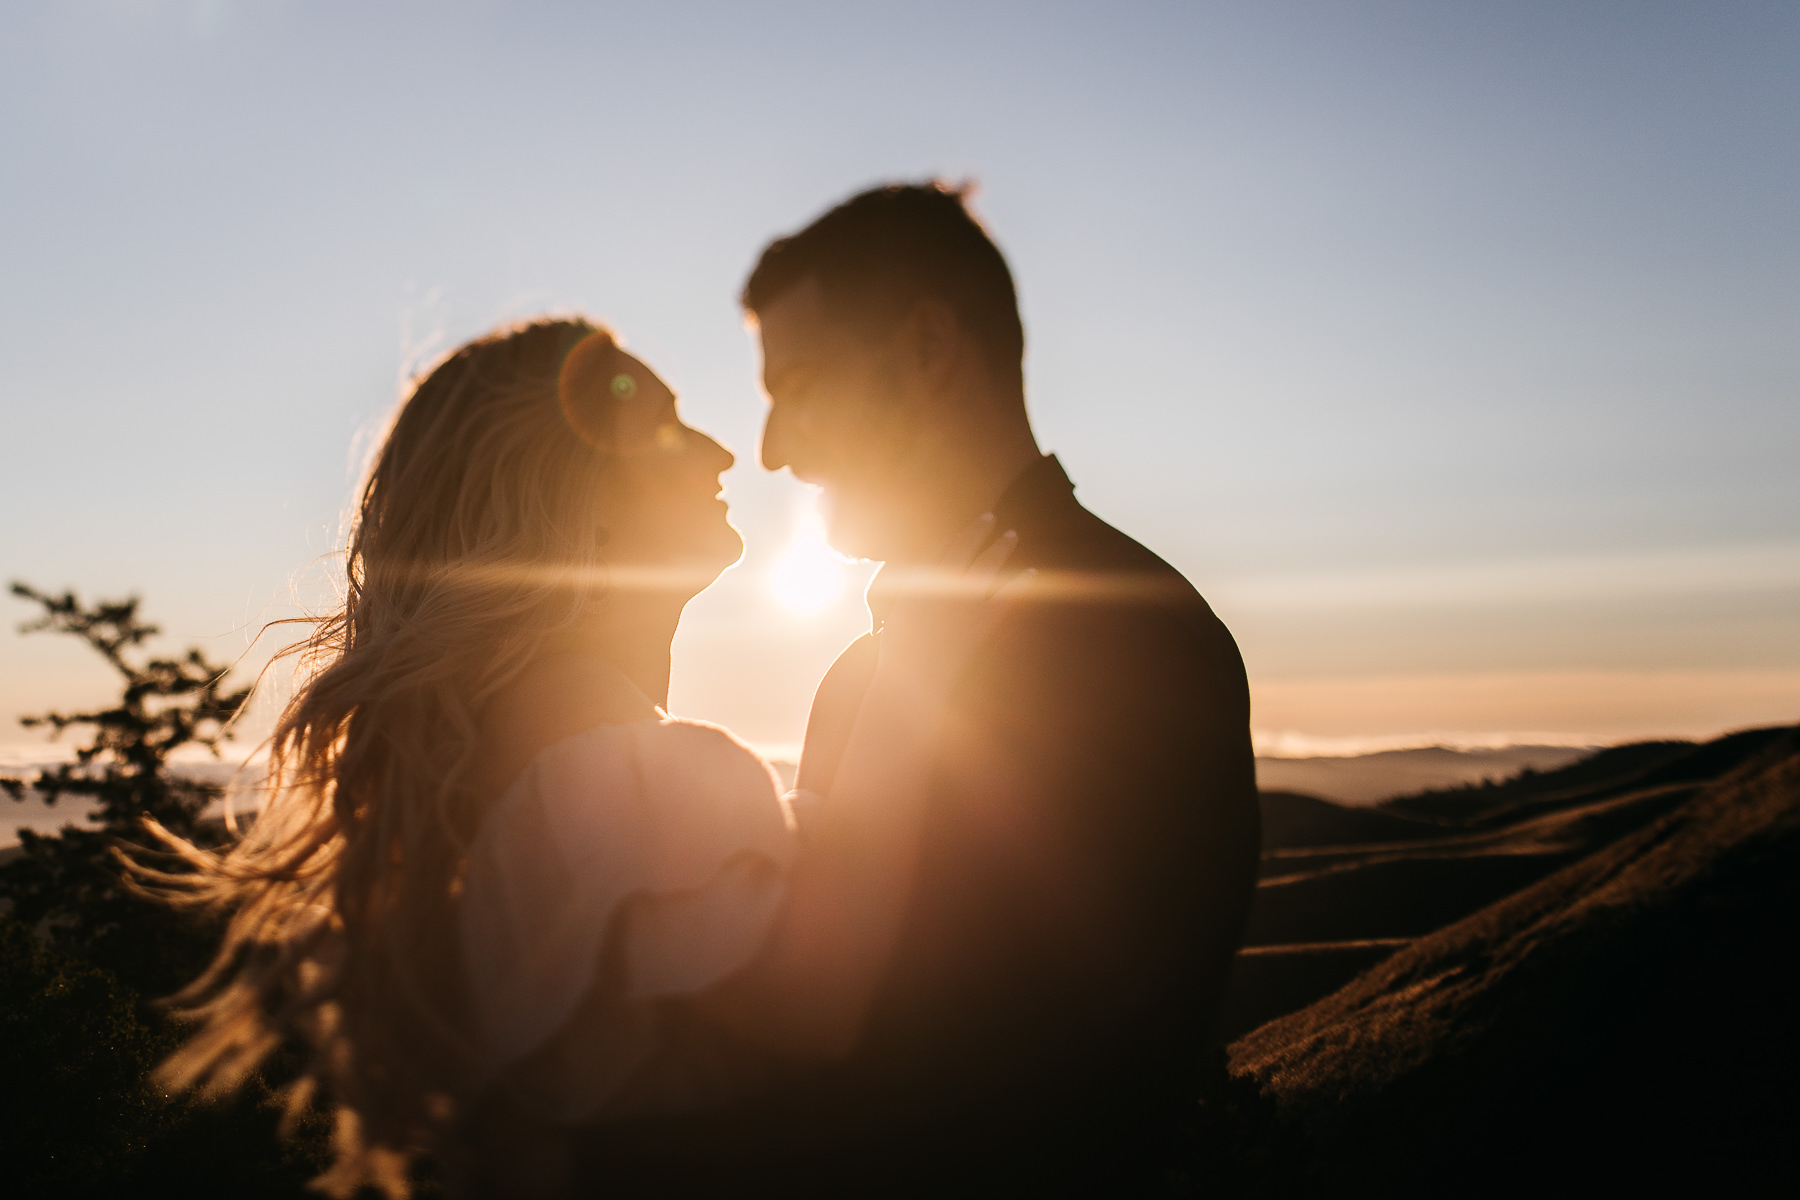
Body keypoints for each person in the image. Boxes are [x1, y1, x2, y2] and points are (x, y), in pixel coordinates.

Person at [133, 318, 1028, 1199]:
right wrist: (918, 678)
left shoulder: (518, 765)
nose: (721, 454)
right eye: (668, 430)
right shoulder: (606, 774)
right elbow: (816, 1000)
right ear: (579, 499)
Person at [728, 181, 1264, 1190]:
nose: (773, 448)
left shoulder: (1126, 640)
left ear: (928, 349)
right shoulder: (863, 670)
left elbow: (1018, 1094)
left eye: (799, 383)